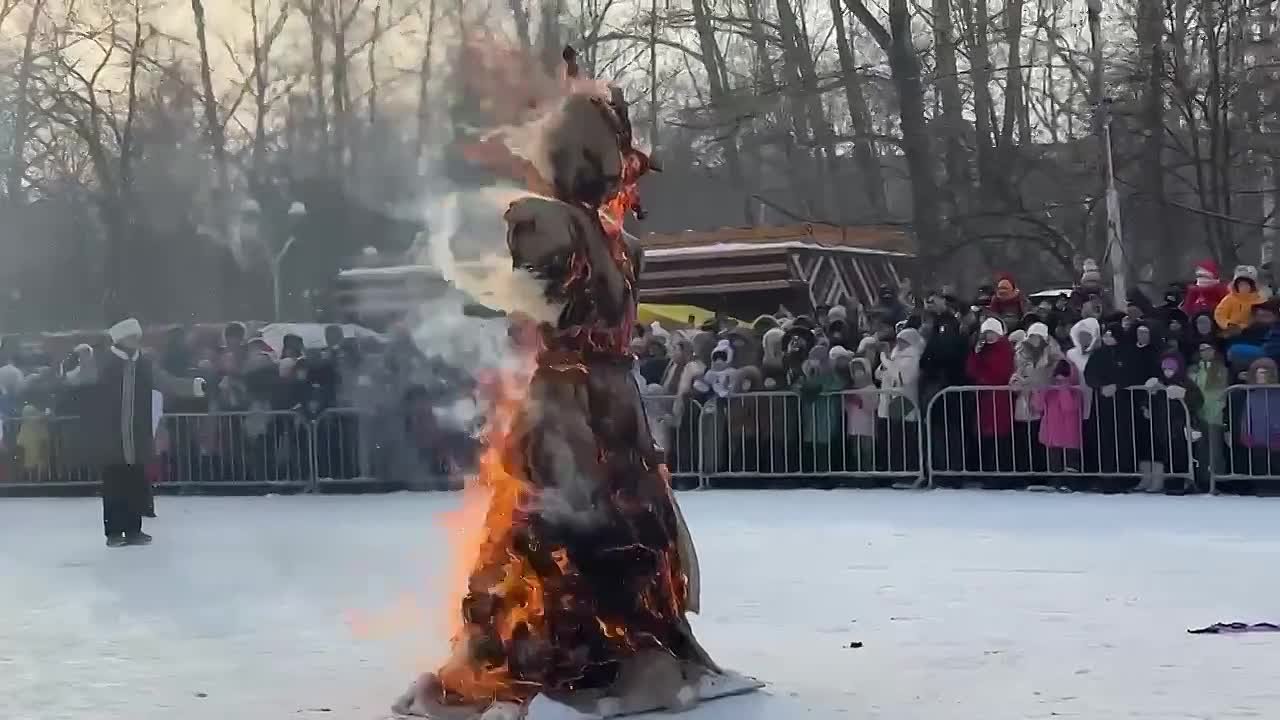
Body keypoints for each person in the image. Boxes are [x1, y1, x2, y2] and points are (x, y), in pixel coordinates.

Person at [67, 318, 205, 547]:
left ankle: (133, 530)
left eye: (137, 336)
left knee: (134, 484)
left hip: (136, 434)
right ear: (121, 339)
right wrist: (79, 365)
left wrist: (192, 386)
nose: (136, 340)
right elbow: (81, 378)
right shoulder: (104, 361)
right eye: (132, 336)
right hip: (110, 435)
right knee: (113, 485)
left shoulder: (144, 363)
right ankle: (113, 532)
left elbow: (166, 382)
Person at [1140, 352, 1202, 493]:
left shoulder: (1186, 383)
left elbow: (1198, 400)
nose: (1167, 372)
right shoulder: (1160, 383)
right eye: (1165, 369)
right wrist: (1146, 405)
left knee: (1181, 454)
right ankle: (1170, 481)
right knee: (1167, 454)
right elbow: (1151, 400)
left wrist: (1184, 394)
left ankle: (1182, 482)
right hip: (1162, 424)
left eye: (1170, 369)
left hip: (1180, 424)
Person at [966, 318, 1016, 473]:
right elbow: (971, 370)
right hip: (986, 397)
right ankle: (989, 471)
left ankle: (1001, 472)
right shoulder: (983, 350)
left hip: (999, 397)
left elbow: (1000, 373)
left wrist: (982, 376)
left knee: (999, 436)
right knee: (987, 436)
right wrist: (975, 354)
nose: (989, 336)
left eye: (991, 332)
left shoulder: (1004, 349)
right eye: (986, 333)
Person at [1011, 322, 1062, 471]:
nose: (1034, 340)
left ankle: (1043, 472)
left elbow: (1051, 375)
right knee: (1025, 438)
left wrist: (1035, 381)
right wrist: (1016, 382)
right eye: (1032, 336)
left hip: (1045, 400)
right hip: (1025, 400)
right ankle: (1027, 471)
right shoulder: (1020, 353)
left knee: (1042, 437)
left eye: (1037, 337)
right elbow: (1016, 373)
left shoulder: (1053, 354)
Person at [876, 327, 924, 471]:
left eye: (904, 341)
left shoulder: (914, 357)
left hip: (906, 400)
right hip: (891, 399)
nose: (900, 344)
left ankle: (908, 470)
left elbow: (904, 378)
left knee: (905, 437)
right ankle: (895, 469)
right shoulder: (895, 356)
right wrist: (885, 364)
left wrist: (886, 362)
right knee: (893, 438)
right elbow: (879, 375)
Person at [1034, 360, 1084, 473]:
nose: (1059, 380)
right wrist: (1041, 391)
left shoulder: (1075, 391)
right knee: (1054, 464)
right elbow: (1038, 406)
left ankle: (1072, 483)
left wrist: (1064, 389)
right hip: (1052, 435)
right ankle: (1056, 481)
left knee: (1071, 464)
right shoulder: (1050, 391)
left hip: (1069, 435)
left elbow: (1069, 407)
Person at [1214, 265, 1264, 336]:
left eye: (1246, 285)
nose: (1244, 288)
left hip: (1252, 330)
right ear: (1236, 286)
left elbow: (1261, 316)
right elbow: (1219, 314)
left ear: (1252, 286)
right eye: (1241, 285)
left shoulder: (1258, 299)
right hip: (1232, 330)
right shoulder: (1230, 299)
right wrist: (1227, 324)